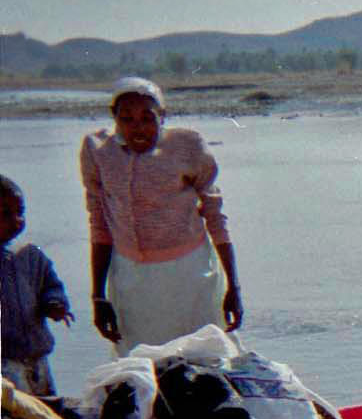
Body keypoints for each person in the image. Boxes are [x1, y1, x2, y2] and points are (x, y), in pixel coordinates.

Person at [80, 76, 243, 355]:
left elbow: (215, 217)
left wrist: (233, 286)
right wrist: (98, 296)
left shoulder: (187, 146)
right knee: (140, 362)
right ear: (114, 118)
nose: (138, 127)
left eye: (148, 118)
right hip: (131, 278)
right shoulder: (98, 151)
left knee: (202, 358)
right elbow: (99, 225)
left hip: (190, 275)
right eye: (127, 119)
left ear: (163, 116)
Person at [1, 175, 73, 395]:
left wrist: (54, 303)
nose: (16, 220)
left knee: (47, 413)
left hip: (36, 357)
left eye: (20, 212)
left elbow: (51, 285)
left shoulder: (30, 254)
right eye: (4, 214)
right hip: (4, 364)